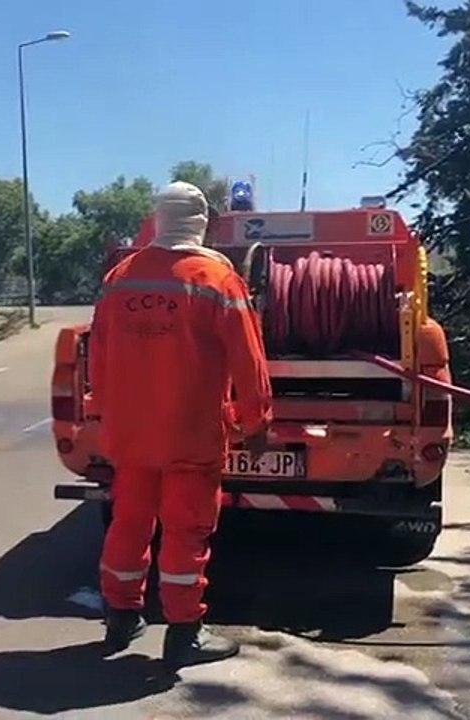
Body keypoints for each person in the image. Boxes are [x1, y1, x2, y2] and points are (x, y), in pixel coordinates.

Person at [87, 181, 273, 668]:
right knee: (185, 531)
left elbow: (98, 357)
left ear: (158, 218)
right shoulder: (215, 278)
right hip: (189, 432)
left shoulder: (122, 277)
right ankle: (185, 632)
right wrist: (257, 421)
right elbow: (247, 358)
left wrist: (106, 414)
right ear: (202, 223)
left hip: (131, 434)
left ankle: (121, 617)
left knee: (129, 523)